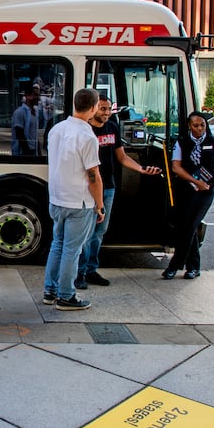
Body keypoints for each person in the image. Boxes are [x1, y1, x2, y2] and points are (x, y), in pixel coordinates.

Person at [75, 95, 162, 288]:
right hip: (88, 187)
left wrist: (141, 169)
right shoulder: (84, 130)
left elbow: (121, 157)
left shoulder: (112, 128)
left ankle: (91, 270)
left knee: (99, 232)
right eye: (102, 109)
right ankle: (79, 273)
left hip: (108, 187)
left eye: (108, 109)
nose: (106, 113)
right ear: (93, 108)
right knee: (86, 233)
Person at [42, 88, 104, 310]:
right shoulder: (87, 136)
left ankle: (50, 290)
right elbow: (93, 175)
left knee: (57, 245)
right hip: (79, 201)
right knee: (72, 249)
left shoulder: (56, 129)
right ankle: (66, 296)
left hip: (57, 199)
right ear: (94, 107)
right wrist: (100, 204)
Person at [161, 112, 214, 280]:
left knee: (189, 226)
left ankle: (174, 265)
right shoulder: (182, 143)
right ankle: (193, 267)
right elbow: (176, 167)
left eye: (202, 125)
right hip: (186, 189)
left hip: (206, 191)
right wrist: (194, 182)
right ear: (189, 126)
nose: (199, 129)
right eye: (195, 126)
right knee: (187, 226)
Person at [11, 84, 40, 156]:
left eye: (38, 95)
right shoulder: (20, 112)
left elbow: (35, 133)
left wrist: (38, 151)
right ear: (27, 96)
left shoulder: (35, 112)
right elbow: (19, 133)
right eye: (35, 95)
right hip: (24, 152)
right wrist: (27, 152)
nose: (38, 98)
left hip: (33, 150)